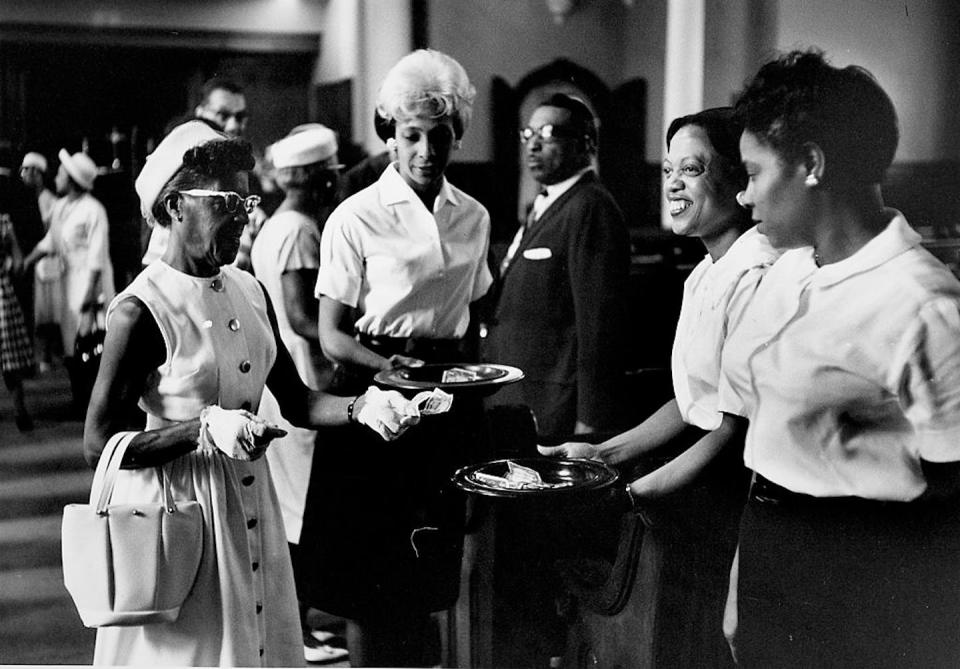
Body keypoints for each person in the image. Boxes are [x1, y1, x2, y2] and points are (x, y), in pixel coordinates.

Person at [82, 120, 417, 667]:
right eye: (227, 201)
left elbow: (300, 401)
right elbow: (99, 446)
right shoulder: (140, 310)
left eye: (248, 198)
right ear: (174, 207)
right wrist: (203, 429)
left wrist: (365, 406)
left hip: (249, 502)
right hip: (183, 509)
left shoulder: (249, 289)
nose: (245, 214)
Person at [720, 49, 960, 668]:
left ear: (811, 165)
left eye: (752, 173)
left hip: (859, 574)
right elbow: (768, 443)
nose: (744, 196)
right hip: (769, 543)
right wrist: (741, 583)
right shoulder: (788, 268)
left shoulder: (923, 304)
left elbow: (951, 496)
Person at [539, 108, 779, 667]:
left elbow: (733, 430)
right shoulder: (705, 272)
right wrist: (601, 452)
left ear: (738, 181)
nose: (671, 181)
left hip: (731, 493)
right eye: (668, 168)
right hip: (697, 477)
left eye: (690, 169)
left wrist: (631, 492)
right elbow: (691, 400)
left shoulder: (757, 272)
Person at [313, 48, 492, 667]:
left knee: (430, 572)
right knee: (371, 584)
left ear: (456, 135)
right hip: (372, 400)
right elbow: (331, 334)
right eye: (410, 136)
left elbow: (476, 312)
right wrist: (385, 372)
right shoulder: (353, 217)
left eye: (438, 136)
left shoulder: (474, 216)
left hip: (443, 399)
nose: (425, 151)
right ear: (389, 133)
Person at [249, 124, 347, 665]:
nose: (335, 181)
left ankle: (298, 625)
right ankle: (300, 630)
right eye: (330, 174)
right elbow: (301, 318)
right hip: (303, 380)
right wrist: (347, 331)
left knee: (294, 512)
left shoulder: (280, 224)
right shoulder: (299, 231)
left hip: (286, 378)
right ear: (316, 178)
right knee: (303, 514)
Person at [482, 93, 630, 440]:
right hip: (521, 401)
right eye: (528, 134)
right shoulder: (546, 204)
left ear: (586, 144)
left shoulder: (590, 207)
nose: (533, 146)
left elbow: (599, 326)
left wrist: (590, 421)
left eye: (547, 134)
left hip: (557, 408)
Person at [143, 77, 266, 271]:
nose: (233, 125)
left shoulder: (251, 180)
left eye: (240, 117)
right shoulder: (178, 178)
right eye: (223, 115)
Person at [25, 149, 114, 412]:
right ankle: (79, 399)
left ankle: (96, 404)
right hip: (68, 283)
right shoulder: (61, 207)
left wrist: (88, 297)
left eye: (62, 173)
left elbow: (98, 256)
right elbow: (50, 241)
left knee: (91, 343)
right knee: (70, 345)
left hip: (91, 283)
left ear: (73, 180)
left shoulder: (93, 210)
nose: (58, 176)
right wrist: (28, 260)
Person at [21, 152, 62, 371]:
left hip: (48, 263)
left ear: (37, 173)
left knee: (49, 314)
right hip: (39, 264)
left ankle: (49, 355)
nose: (23, 174)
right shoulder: (30, 200)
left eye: (27, 170)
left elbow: (51, 236)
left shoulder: (48, 200)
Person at [0, 191, 36, 430]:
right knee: (10, 356)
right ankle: (19, 409)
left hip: (3, 294)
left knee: (10, 356)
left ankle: (20, 409)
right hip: (2, 294)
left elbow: (19, 262)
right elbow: (20, 263)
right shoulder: (3, 223)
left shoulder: (4, 223)